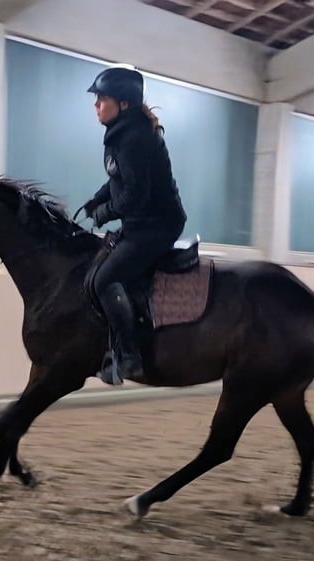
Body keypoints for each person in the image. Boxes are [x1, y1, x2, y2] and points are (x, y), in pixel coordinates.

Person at [82, 66, 187, 383]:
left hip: (158, 225)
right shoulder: (122, 133)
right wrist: (95, 200)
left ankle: (129, 357)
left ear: (124, 104)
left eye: (102, 99)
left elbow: (135, 196)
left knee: (105, 280)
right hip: (142, 222)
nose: (96, 105)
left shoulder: (135, 139)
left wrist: (104, 213)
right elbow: (118, 180)